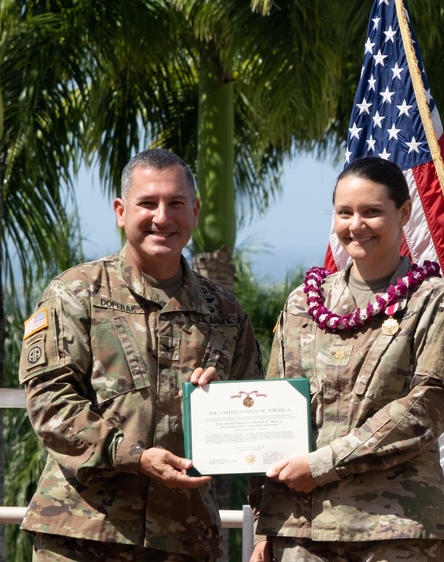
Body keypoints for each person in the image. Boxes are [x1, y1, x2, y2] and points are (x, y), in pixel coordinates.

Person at [19, 148, 264, 561]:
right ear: (120, 210)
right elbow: (50, 406)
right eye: (147, 203)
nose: (162, 218)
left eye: (175, 204)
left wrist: (226, 406)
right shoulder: (77, 293)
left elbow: (260, 424)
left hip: (186, 539)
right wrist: (134, 457)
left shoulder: (225, 313)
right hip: (84, 536)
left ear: (195, 210)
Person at [251, 156, 444, 562]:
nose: (356, 225)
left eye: (371, 212)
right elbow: (274, 407)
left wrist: (324, 463)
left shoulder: (433, 300)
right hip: (301, 529)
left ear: (403, 213)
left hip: (395, 527)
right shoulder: (303, 304)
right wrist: (267, 524)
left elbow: (426, 406)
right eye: (344, 213)